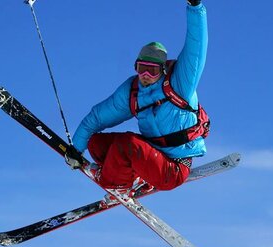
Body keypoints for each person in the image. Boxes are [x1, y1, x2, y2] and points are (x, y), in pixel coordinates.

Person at [66, 0, 209, 194]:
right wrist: (76, 148)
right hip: (151, 156)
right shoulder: (133, 92)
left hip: (173, 168)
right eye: (142, 69)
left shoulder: (179, 84)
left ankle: (115, 183)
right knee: (96, 144)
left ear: (163, 69)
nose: (146, 76)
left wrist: (195, 7)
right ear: (136, 67)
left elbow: (196, 47)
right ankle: (134, 178)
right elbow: (99, 117)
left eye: (152, 70)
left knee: (127, 145)